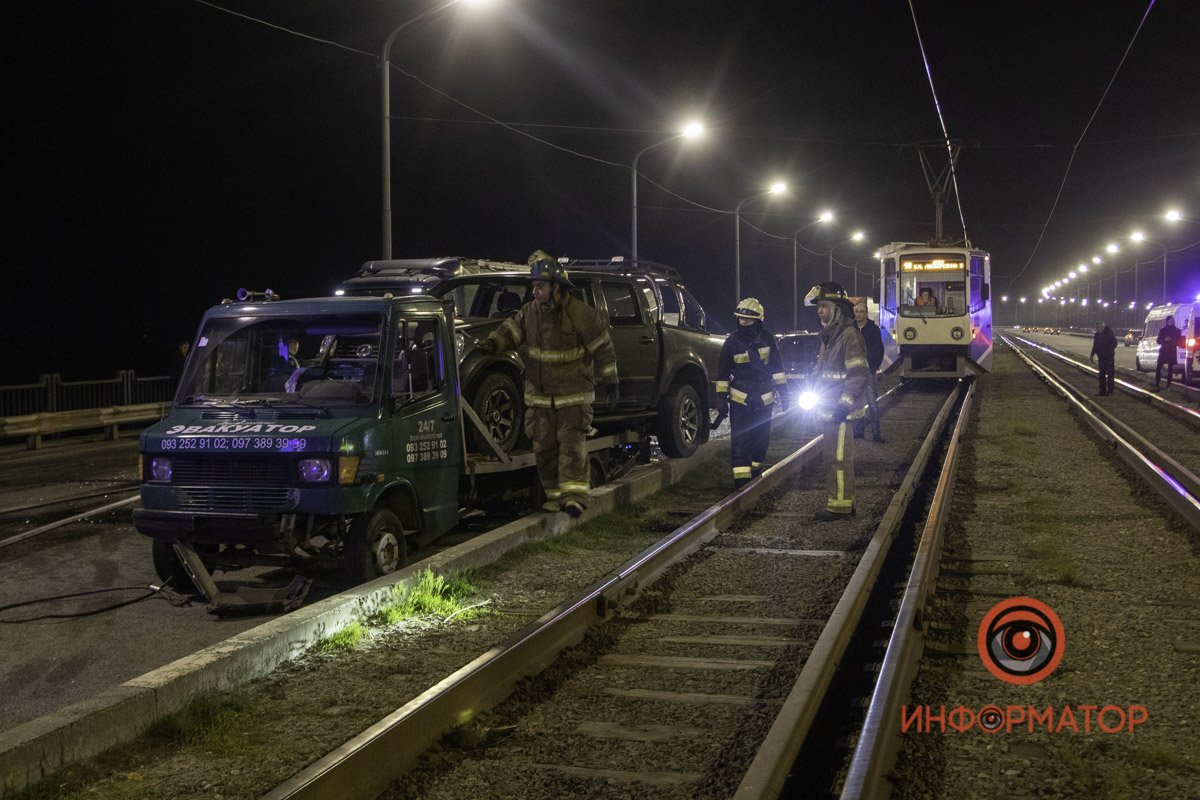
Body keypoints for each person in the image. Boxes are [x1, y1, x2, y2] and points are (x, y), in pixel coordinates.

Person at [476, 251, 618, 517]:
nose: (535, 291)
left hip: (573, 398)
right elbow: (510, 332)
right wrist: (493, 342)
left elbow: (603, 347)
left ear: (556, 287)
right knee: (544, 452)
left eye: (540, 286)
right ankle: (556, 498)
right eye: (533, 286)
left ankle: (575, 499)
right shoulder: (529, 313)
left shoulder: (580, 314)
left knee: (571, 448)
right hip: (540, 400)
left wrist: (611, 380)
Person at [805, 282, 869, 522]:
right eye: (819, 307)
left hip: (841, 411)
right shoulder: (829, 336)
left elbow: (859, 374)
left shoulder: (848, 335)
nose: (820, 311)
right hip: (830, 409)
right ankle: (843, 503)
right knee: (832, 457)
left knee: (838, 459)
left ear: (838, 308)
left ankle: (839, 508)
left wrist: (844, 405)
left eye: (824, 306)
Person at [713, 298, 787, 489]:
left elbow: (778, 369)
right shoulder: (731, 342)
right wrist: (721, 400)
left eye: (749, 320)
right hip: (740, 401)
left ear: (759, 320)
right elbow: (722, 374)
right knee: (740, 443)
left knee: (761, 442)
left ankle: (755, 473)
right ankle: (741, 485)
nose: (744, 323)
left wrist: (785, 395)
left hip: (764, 399)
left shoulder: (768, 339)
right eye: (741, 319)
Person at [851, 299, 885, 442]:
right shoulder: (851, 329)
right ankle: (858, 432)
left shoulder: (873, 329)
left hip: (868, 371)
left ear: (866, 314)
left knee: (872, 403)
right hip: (854, 373)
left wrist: (874, 367)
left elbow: (879, 349)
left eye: (862, 312)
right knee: (856, 404)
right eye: (857, 312)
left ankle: (876, 433)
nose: (859, 314)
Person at [1089, 321, 1118, 396]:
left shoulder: (1109, 333)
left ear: (1103, 327)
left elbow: (1115, 343)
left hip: (1109, 357)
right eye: (1096, 328)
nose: (1097, 329)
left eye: (1098, 328)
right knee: (1101, 374)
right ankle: (1102, 391)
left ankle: (1110, 391)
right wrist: (1092, 355)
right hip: (1101, 357)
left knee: (1110, 374)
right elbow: (1095, 345)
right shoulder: (1097, 335)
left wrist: (1109, 351)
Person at [1154, 315, 1181, 390]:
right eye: (1168, 321)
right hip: (1163, 351)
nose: (1170, 323)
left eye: (1171, 321)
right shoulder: (1163, 330)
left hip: (1171, 351)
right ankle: (1157, 384)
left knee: (1170, 370)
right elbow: (1158, 341)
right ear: (1166, 322)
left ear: (1173, 321)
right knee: (1158, 368)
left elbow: (1179, 341)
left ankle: (1168, 386)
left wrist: (1173, 341)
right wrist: (1165, 340)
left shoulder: (1176, 330)